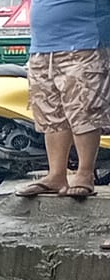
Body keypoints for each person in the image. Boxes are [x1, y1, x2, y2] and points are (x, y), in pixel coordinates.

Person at [16, 0, 105, 200]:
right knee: (50, 112)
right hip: (43, 45)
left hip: (85, 41)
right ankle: (56, 174)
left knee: (84, 108)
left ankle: (85, 173)